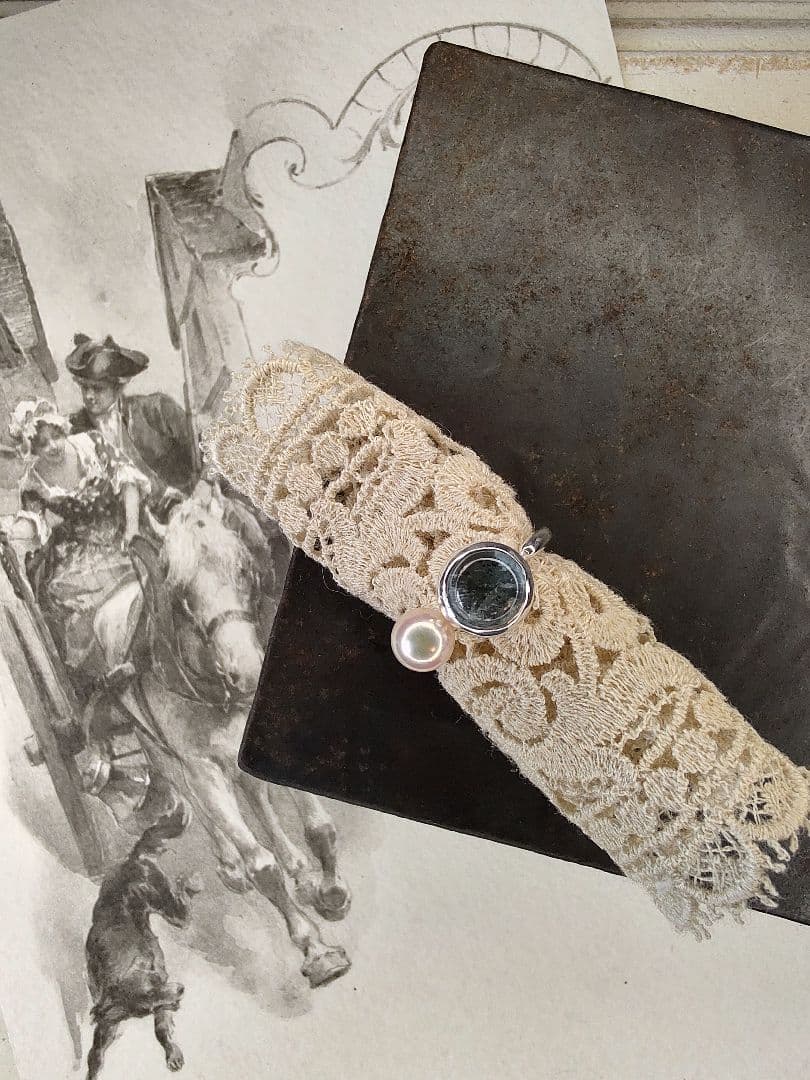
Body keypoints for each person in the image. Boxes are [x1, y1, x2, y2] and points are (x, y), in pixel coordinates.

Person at [66, 333, 195, 506]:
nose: (89, 396)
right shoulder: (75, 430)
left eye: (98, 389)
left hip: (188, 505)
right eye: (84, 387)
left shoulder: (156, 409)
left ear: (118, 387)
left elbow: (205, 449)